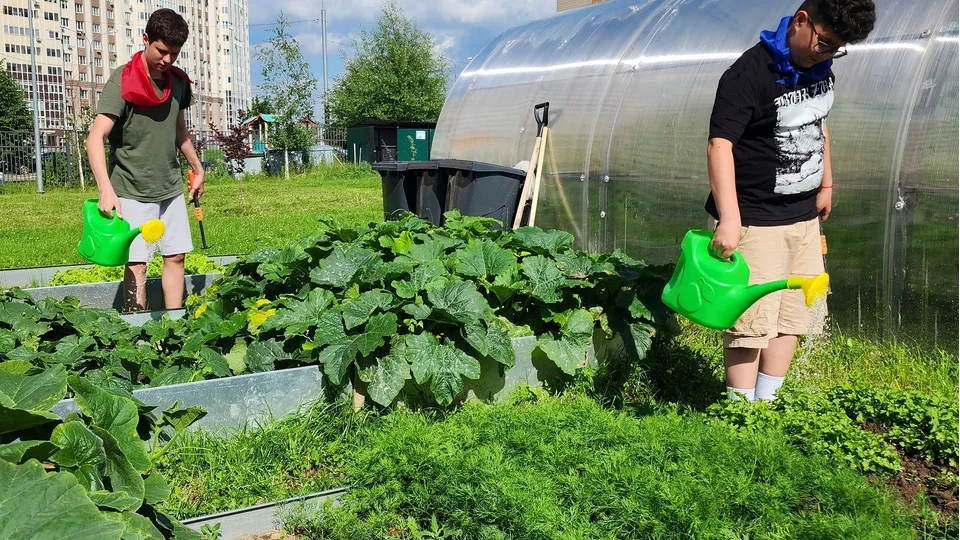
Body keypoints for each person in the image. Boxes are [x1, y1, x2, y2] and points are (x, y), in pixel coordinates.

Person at [704, 0, 875, 401]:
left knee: (791, 316)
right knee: (750, 320)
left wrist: (826, 184)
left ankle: (768, 402)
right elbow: (719, 145)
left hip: (802, 218)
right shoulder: (746, 75)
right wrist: (729, 218)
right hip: (755, 219)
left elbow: (818, 123)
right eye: (825, 43)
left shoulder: (818, 67)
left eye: (837, 49)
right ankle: (740, 415)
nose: (829, 54)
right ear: (802, 21)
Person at [87, 8, 203, 311]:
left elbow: (179, 131)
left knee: (176, 256)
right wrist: (105, 189)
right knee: (138, 263)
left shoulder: (178, 82)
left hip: (169, 187)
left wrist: (197, 167)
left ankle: (174, 323)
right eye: (161, 51)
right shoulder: (122, 81)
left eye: (174, 55)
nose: (167, 60)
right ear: (145, 39)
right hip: (131, 189)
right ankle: (137, 333)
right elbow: (95, 138)